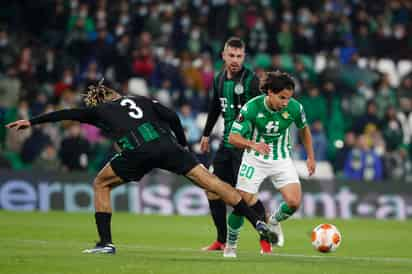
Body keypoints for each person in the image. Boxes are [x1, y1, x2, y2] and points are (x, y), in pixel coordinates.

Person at [6, 80, 276, 254]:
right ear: (115, 93)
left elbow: (66, 114)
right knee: (214, 185)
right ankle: (257, 223)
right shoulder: (141, 100)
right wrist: (182, 145)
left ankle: (106, 243)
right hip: (168, 147)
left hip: (136, 150)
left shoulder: (98, 110)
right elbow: (172, 116)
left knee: (101, 183)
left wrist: (31, 121)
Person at [223, 71, 316, 258]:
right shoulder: (252, 108)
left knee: (294, 202)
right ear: (270, 93)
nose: (285, 103)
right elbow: (232, 137)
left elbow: (304, 129)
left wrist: (310, 156)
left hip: (281, 158)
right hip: (254, 158)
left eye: (289, 98)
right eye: (282, 98)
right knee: (242, 203)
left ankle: (273, 221)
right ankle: (230, 245)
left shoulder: (295, 108)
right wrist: (252, 144)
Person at [199, 37, 268, 252]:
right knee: (212, 189)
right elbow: (214, 107)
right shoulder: (219, 79)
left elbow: (262, 110)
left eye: (239, 56)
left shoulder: (251, 81)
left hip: (245, 146)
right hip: (226, 145)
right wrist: (206, 133)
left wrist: (258, 140)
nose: (235, 60)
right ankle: (221, 240)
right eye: (231, 55)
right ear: (223, 55)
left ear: (244, 57)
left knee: (245, 196)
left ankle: (265, 237)